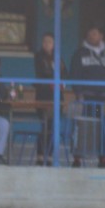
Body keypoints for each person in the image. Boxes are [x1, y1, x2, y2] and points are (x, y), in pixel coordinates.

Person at [69, 26, 105, 168]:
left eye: (94, 34)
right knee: (84, 126)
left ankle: (102, 158)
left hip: (104, 99)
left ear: (101, 36)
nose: (91, 36)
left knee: (101, 127)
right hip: (88, 99)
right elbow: (74, 74)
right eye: (89, 34)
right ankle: (77, 158)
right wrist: (78, 93)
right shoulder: (80, 53)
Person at [33, 32, 67, 166]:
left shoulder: (58, 57)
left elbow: (65, 73)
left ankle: (50, 156)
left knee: (53, 126)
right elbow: (42, 73)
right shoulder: (38, 56)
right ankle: (40, 155)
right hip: (43, 95)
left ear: (54, 44)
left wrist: (56, 75)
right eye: (45, 41)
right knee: (45, 125)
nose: (47, 44)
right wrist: (54, 74)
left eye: (50, 42)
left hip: (57, 96)